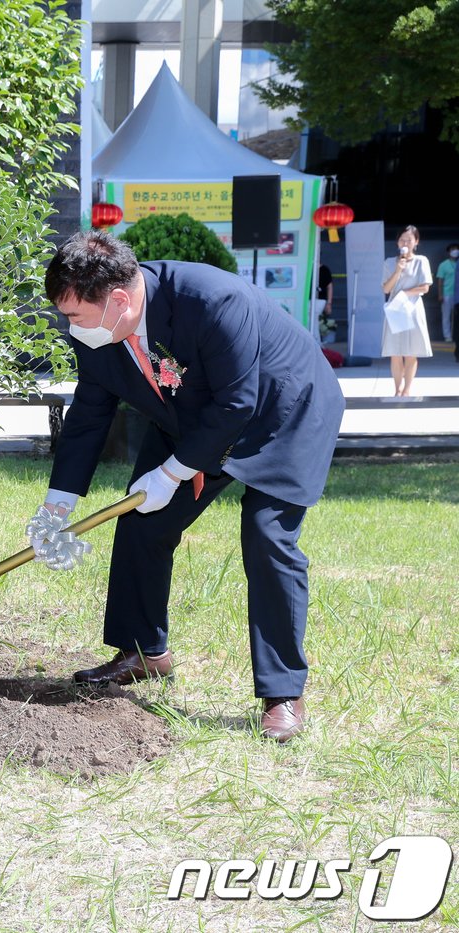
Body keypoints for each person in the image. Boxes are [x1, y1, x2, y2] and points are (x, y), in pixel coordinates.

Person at [30, 231, 345, 744]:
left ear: (119, 301)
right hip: (196, 415)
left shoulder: (211, 299)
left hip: (283, 409)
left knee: (268, 536)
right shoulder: (96, 326)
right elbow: (90, 414)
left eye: (76, 317)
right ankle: (143, 652)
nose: (71, 329)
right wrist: (57, 505)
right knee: (141, 519)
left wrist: (173, 472)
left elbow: (238, 403)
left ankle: (283, 692)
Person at [380, 226, 432, 397]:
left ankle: (407, 389)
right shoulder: (389, 262)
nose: (405, 243)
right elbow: (386, 289)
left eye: (409, 240)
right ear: (397, 242)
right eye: (402, 239)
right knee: (395, 353)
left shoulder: (421, 261)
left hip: (413, 309)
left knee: (411, 352)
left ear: (416, 242)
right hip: (395, 309)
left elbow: (425, 287)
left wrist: (405, 295)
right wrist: (398, 270)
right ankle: (397, 389)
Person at [434, 242, 458, 346]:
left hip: (457, 294)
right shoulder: (443, 265)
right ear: (449, 252)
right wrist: (440, 294)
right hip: (447, 293)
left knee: (457, 317)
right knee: (446, 316)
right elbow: (440, 280)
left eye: (457, 249)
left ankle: (456, 336)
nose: (455, 251)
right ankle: (447, 336)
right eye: (453, 249)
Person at [316, 264, 333, 341]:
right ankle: (316, 340)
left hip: (320, 299)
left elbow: (329, 286)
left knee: (313, 320)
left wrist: (329, 303)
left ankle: (316, 341)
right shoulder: (307, 267)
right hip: (307, 299)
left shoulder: (324, 269)